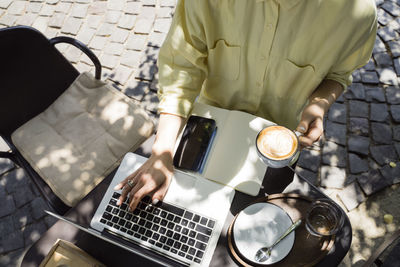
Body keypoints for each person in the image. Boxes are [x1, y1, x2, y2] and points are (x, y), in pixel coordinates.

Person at [115, 0, 377, 211]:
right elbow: (181, 67)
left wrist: (319, 105)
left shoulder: (358, 12)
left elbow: (340, 74)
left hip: (280, 142)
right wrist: (162, 153)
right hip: (208, 128)